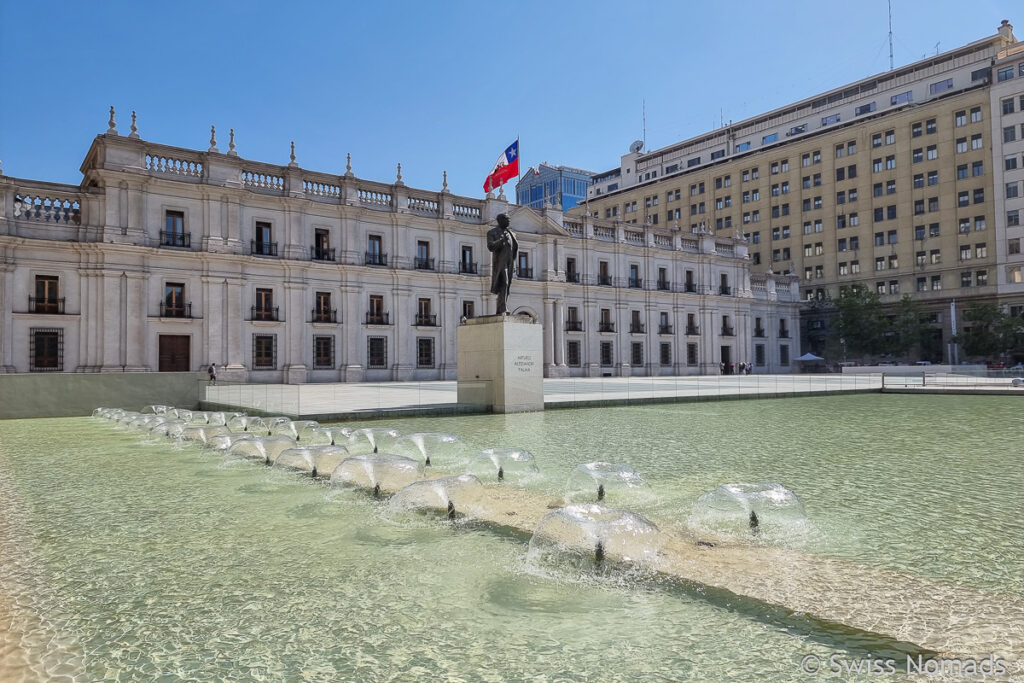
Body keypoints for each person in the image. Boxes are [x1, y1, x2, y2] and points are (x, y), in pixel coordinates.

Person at [486, 213, 519, 315]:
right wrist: (500, 241)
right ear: (500, 220)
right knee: (503, 283)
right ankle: (503, 308)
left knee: (507, 286)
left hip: (509, 263)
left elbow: (514, 249)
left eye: (509, 219)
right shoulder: (492, 232)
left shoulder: (512, 234)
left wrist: (514, 262)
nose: (509, 221)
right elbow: (490, 246)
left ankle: (500, 309)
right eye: (507, 219)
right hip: (500, 263)